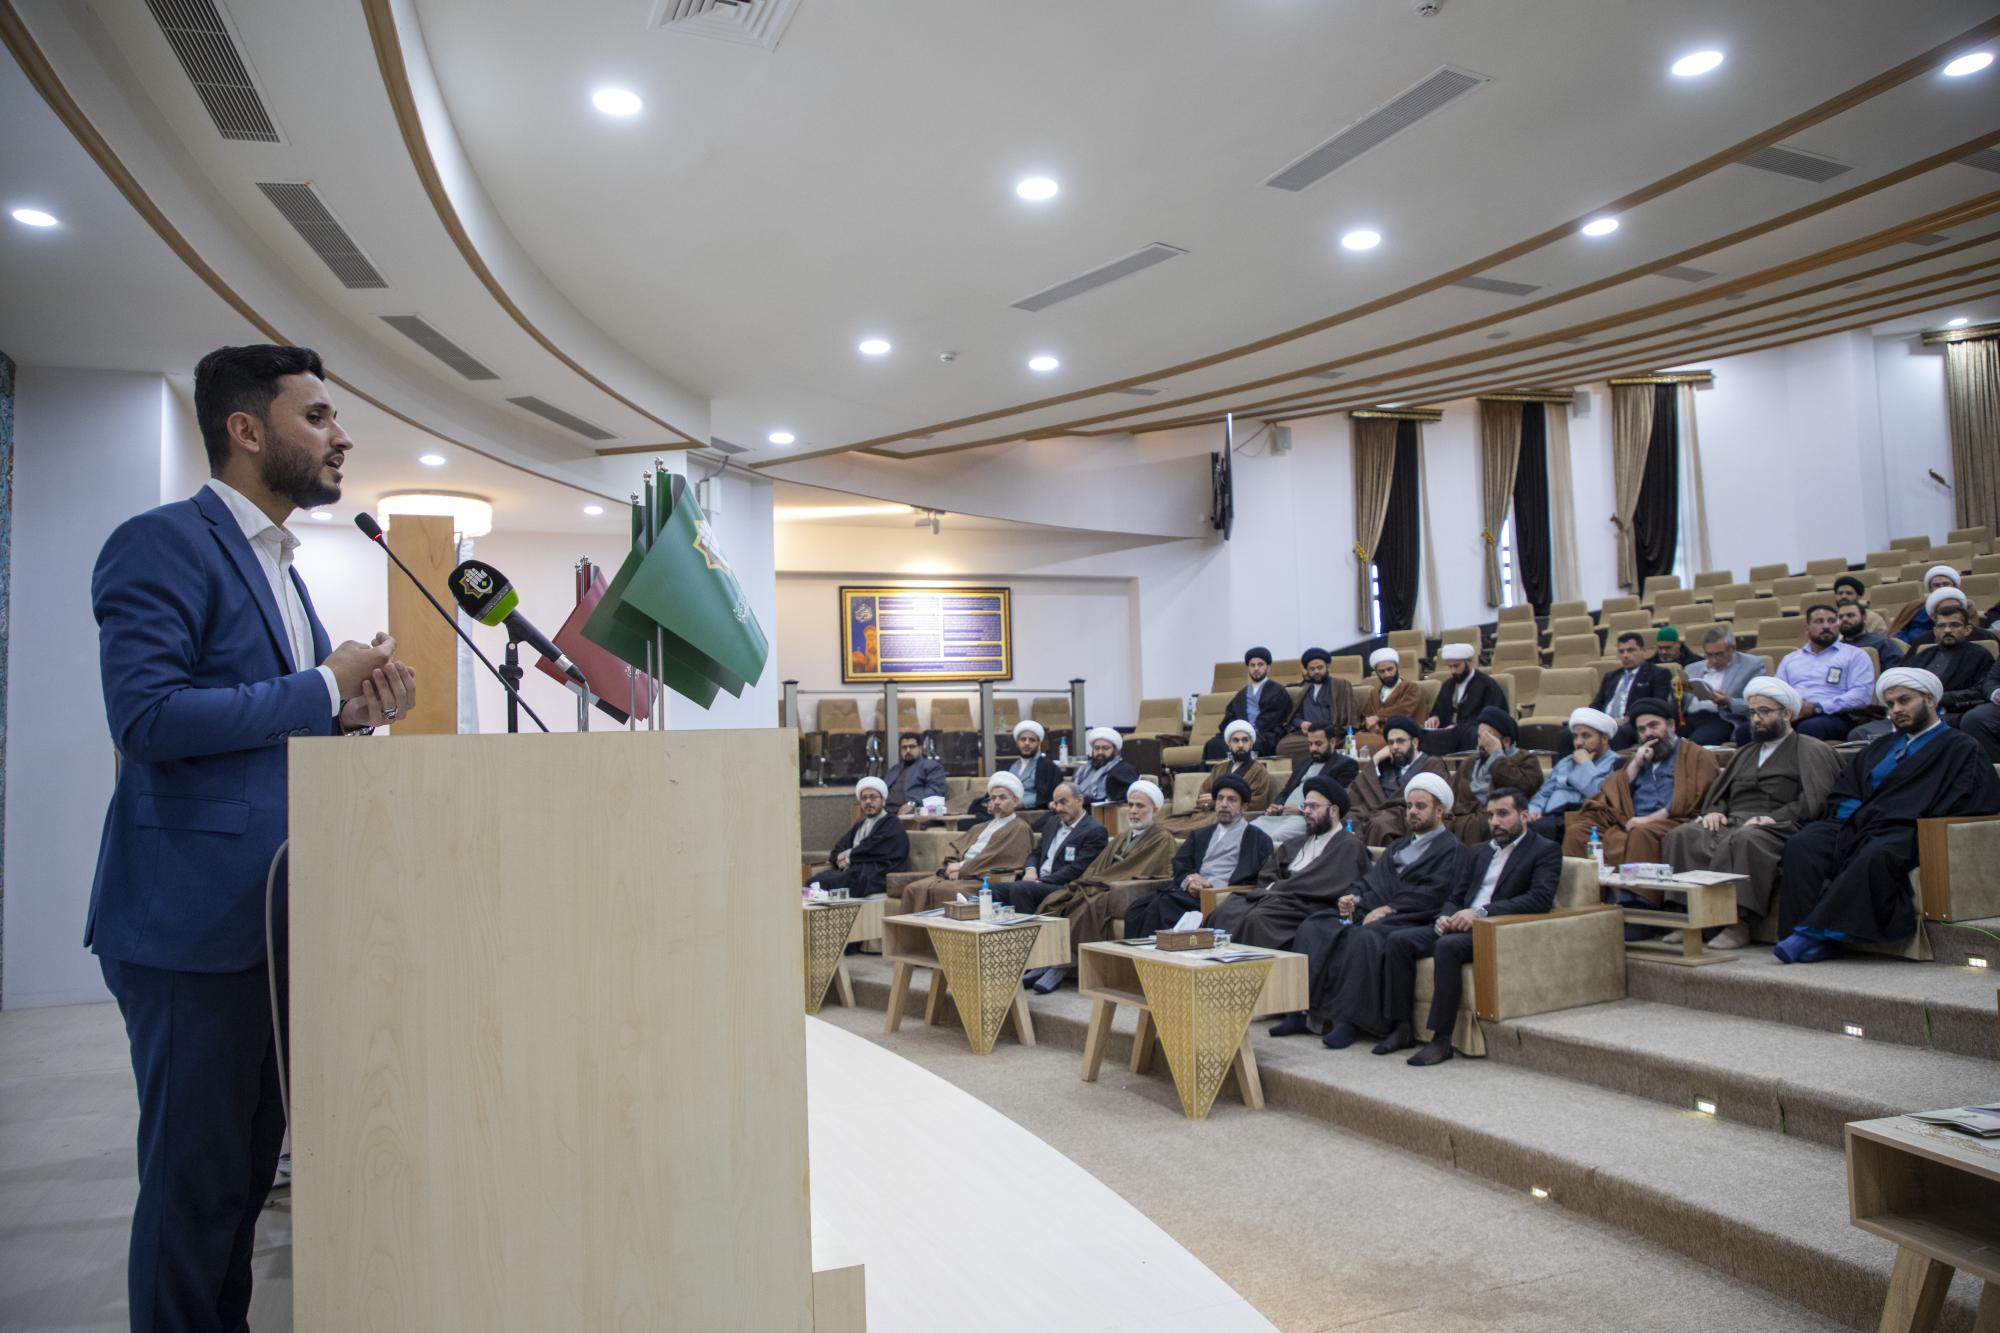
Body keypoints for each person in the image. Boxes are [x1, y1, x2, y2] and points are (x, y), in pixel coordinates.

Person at [89, 343, 416, 1332]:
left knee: (239, 1190)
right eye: (317, 416)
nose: (341, 435)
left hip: (270, 921)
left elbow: (263, 725)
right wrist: (318, 686)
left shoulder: (281, 563)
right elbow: (146, 716)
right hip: (190, 926)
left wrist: (350, 712)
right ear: (244, 429)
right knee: (193, 1195)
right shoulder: (162, 543)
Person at [1776, 668, 2000, 961]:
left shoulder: (1961, 747)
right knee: (1805, 843)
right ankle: (1802, 930)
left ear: (1930, 700)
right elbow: (1846, 789)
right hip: (1859, 823)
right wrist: (1852, 816)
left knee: (1877, 853)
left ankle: (1812, 935)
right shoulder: (1880, 747)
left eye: (1905, 701)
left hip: (1909, 827)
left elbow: (1973, 799)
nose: (1896, 710)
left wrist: (1904, 812)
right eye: (1891, 704)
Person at [1272, 774, 1469, 1050]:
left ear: (1440, 811)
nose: (1413, 811)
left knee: (1365, 938)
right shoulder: (1398, 846)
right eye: (1410, 806)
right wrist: (1352, 897)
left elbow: (1433, 893)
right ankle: (1300, 1012)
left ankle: (1349, 1021)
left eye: (1421, 806)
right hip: (1373, 911)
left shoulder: (1452, 850)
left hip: (1410, 918)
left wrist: (1390, 909)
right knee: (1314, 926)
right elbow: (1370, 881)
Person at [1661, 678, 1840, 949]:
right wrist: (1714, 812)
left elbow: (1816, 799)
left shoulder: (1811, 749)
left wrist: (1774, 817)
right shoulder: (1745, 752)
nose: (1756, 719)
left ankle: (1738, 924)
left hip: (1779, 825)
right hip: (1733, 820)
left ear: (1787, 714)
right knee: (1682, 835)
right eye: (1753, 712)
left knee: (1746, 839)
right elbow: (1721, 794)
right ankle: (1688, 918)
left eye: (1765, 711)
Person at [1389, 789, 1564, 1066]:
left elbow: (1539, 899)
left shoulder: (1545, 850)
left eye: (1503, 814)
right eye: (1490, 815)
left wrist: (1481, 913)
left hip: (1496, 930)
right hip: (1461, 924)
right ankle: (1402, 1028)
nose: (1494, 822)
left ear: (1524, 816)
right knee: (1398, 941)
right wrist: (1445, 916)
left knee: (1447, 947)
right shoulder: (1478, 851)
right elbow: (1456, 896)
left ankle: (1441, 1040)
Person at [1032, 780, 1179, 972]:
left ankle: (1066, 967)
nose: (1133, 811)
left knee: (1091, 905)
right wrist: (1088, 882)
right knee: (1058, 900)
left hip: (1122, 891)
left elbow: (1148, 869)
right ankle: (1049, 960)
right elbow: (1099, 865)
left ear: (1155, 810)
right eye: (1131, 805)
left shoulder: (1162, 838)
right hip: (1104, 884)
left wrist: (1104, 882)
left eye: (1140, 806)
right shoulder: (1123, 835)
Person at [1212, 777, 1373, 949]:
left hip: (1309, 906)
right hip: (1278, 900)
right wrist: (1275, 890)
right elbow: (1269, 873)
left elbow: (1324, 883)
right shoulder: (1296, 842)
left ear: (1333, 810)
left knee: (1260, 918)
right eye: (1305, 806)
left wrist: (1279, 888)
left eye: (1313, 806)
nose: (1307, 811)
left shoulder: (1349, 845)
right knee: (1226, 910)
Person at [1562, 698, 1720, 870]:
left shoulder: (1696, 755)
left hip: (1672, 821)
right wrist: (1635, 765)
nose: (1648, 733)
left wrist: (1648, 819)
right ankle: (1585, 886)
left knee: (1641, 833)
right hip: (1630, 820)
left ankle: (1634, 888)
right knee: (1578, 831)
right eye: (1642, 729)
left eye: (1654, 726)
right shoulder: (1638, 758)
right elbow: (1611, 793)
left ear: (1671, 725)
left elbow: (1690, 799)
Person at [1124, 776, 1274, 937]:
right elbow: (1181, 864)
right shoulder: (1200, 834)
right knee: (1137, 908)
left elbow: (1256, 878)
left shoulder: (1258, 839)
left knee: (1165, 905)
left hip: (1220, 896)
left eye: (1231, 800)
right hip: (1189, 893)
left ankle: (1154, 952)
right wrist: (1189, 881)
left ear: (1244, 806)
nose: (1224, 804)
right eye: (1220, 799)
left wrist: (1210, 885)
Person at [899, 773, 1037, 913]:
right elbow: (955, 846)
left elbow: (994, 858)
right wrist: (951, 865)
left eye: (1002, 798)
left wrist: (961, 868)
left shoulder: (1019, 828)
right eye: (993, 798)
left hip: (980, 878)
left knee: (949, 891)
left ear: (1015, 801)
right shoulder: (980, 826)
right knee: (913, 888)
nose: (996, 802)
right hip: (959, 873)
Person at [1775, 605, 1877, 741]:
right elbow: (1777, 691)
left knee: (1809, 727)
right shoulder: (1790, 659)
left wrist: (1816, 707)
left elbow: (1861, 696)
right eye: (1819, 621)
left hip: (1837, 716)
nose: (1826, 626)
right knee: (1751, 728)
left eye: (1832, 621)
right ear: (1807, 627)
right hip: (1793, 714)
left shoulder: (1855, 655)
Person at [1444, 708, 1544, 843]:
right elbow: (1451, 795)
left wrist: (1497, 756)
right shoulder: (1469, 763)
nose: (1482, 743)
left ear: (1506, 741)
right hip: (1460, 823)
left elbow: (1524, 787)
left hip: (1493, 823)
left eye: (1488, 738)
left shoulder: (1526, 760)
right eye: (1480, 736)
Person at [1347, 715, 1450, 845]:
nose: (1395, 747)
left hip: (1406, 816)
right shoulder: (1384, 765)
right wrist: (1376, 759)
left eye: (1400, 741)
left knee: (1380, 824)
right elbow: (1359, 789)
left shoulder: (1431, 764)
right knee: (1348, 820)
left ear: (1415, 742)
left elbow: (1432, 802)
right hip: (1377, 814)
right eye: (1391, 743)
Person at [1161, 721, 1274, 836]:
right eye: (1235, 740)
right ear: (1229, 744)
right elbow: (1203, 795)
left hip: (1230, 818)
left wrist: (1217, 801)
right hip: (1206, 815)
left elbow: (1257, 803)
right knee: (1163, 824)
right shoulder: (1219, 768)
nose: (1240, 745)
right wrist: (1208, 803)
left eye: (1245, 740)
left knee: (1185, 830)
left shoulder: (1259, 771)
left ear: (1251, 744)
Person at [1524, 707, 1619, 843]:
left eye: (1586, 736)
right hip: (1549, 818)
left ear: (1604, 739)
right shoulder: (1566, 762)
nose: (1578, 743)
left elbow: (1601, 796)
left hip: (1581, 820)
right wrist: (1534, 810)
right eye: (1575, 736)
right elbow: (1544, 793)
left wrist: (1585, 765)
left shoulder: (1615, 764)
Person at [1254, 723, 1359, 844]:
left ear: (1332, 742)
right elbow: (1286, 791)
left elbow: (1337, 800)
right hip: (1280, 816)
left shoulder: (1345, 765)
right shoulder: (1304, 763)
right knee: (1249, 831)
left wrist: (1301, 810)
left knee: (1273, 837)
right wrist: (1277, 806)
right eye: (1310, 744)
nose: (1313, 748)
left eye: (1318, 744)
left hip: (1307, 818)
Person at [1011, 783, 1110, 913]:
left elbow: (1077, 869)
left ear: (1079, 800)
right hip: (1036, 882)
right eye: (1056, 803)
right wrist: (1030, 870)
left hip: (1063, 886)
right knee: (993, 890)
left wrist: (1040, 881)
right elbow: (1036, 853)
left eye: (1063, 802)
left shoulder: (1095, 830)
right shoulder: (1052, 822)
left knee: (1020, 889)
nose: (1058, 808)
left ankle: (1030, 927)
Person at [809, 776, 910, 897]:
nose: (868, 801)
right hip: (858, 872)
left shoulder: (892, 824)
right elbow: (839, 847)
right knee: (815, 881)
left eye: (873, 797)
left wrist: (848, 857)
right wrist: (839, 859)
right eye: (864, 798)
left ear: (883, 801)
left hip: (878, 874)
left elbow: (873, 849)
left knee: (826, 883)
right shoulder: (860, 825)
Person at [1907, 591, 1996, 724]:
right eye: (1941, 626)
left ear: (1967, 630)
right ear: (1935, 631)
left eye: (1954, 625)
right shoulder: (1923, 654)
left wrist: (1940, 698)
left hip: (1956, 714)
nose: (1947, 630)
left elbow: (1981, 691)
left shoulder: (1979, 655)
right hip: (1915, 712)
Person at [1678, 628, 1766, 746]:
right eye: (1709, 655)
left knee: (1695, 744)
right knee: (1664, 738)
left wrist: (1729, 701)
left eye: (1719, 654)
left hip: (1721, 718)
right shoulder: (1691, 668)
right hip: (1688, 717)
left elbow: (1759, 703)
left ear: (1732, 649)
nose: (1714, 660)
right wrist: (1676, 690)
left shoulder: (1751, 665)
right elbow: (1677, 704)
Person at [1203, 646, 1291, 760]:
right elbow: (1230, 717)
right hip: (1239, 733)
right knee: (1213, 744)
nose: (1256, 668)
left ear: (1268, 668)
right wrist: (1236, 730)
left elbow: (1272, 719)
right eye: (1252, 665)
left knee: (1250, 742)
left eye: (1260, 665)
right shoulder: (1241, 694)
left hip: (1264, 734)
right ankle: (1220, 772)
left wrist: (1247, 731)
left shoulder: (1277, 691)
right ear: (1248, 668)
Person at [1589, 632, 1675, 746]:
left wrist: (1628, 719)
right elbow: (1596, 704)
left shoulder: (1658, 674)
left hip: (1633, 723)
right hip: (1605, 723)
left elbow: (1657, 705)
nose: (1625, 655)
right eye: (1621, 651)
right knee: (1569, 733)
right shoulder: (1610, 676)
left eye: (1630, 650)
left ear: (1643, 651)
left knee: (1618, 734)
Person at [966, 719, 1062, 821]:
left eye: (1032, 740)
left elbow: (1044, 798)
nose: (1027, 743)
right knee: (974, 811)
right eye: (1023, 739)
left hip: (1024, 809)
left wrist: (1019, 803)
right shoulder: (1010, 766)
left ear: (1039, 743)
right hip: (1002, 805)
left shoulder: (1048, 767)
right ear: (1017, 743)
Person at [1276, 648, 1358, 764]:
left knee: (1334, 742)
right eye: (1312, 669)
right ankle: (1319, 751)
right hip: (1308, 736)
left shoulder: (1341, 685)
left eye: (1320, 667)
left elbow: (1350, 714)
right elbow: (1294, 717)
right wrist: (1301, 723)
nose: (1317, 671)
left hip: (1332, 733)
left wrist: (1327, 731)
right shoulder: (1305, 690)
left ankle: (1322, 748)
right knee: (1283, 747)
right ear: (1307, 671)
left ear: (1327, 667)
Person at [1422, 642, 1508, 752]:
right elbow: (1438, 709)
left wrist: (1459, 728)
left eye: (1456, 666)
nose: (1453, 671)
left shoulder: (1487, 685)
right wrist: (1435, 717)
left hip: (1471, 733)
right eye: (1450, 667)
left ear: (1469, 662)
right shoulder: (1448, 685)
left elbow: (1492, 717)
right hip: (1447, 734)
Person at [1354, 648, 1424, 754]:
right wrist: (1369, 724)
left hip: (1402, 733)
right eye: (1381, 671)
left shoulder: (1411, 688)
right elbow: (1367, 715)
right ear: (1376, 673)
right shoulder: (1374, 692)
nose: (1387, 674)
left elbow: (1404, 710)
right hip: (1376, 733)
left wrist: (1378, 717)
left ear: (1397, 667)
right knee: (1355, 739)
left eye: (1390, 669)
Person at [1887, 564, 1961, 646]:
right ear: (1930, 589)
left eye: (1946, 584)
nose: (1941, 588)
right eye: (1936, 585)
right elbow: (1899, 630)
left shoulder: (1964, 607)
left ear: (1955, 587)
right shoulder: (1916, 606)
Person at [1071, 726, 1138, 806]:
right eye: (1096, 748)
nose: (1100, 752)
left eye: (1105, 748)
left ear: (1115, 750)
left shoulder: (1123, 770)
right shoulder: (1084, 769)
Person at [883, 732, 947, 812]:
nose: (908, 750)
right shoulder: (894, 769)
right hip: (886, 810)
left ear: (920, 748)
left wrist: (913, 803)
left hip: (912, 811)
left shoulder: (932, 767)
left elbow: (935, 792)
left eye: (912, 747)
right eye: (904, 747)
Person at [1838, 601, 1905, 667]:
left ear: (1864, 618)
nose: (1844, 619)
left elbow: (1896, 671)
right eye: (1840, 617)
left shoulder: (1883, 643)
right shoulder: (1835, 647)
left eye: (1850, 615)